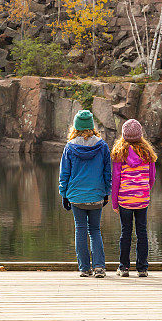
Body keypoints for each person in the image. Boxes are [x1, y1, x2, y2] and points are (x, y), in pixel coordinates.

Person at [59, 110, 112, 277]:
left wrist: (64, 194)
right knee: (95, 230)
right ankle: (99, 267)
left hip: (76, 196)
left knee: (80, 229)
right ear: (91, 126)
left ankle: (84, 268)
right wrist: (106, 192)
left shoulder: (70, 147)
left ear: (76, 127)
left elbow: (64, 174)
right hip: (96, 195)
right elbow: (107, 172)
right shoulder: (102, 146)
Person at [111, 119, 157, 277]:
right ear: (140, 135)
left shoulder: (120, 153)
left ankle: (123, 268)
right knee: (142, 232)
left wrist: (114, 202)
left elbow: (116, 179)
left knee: (126, 232)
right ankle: (142, 268)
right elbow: (152, 177)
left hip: (125, 199)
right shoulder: (147, 153)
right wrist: (145, 191)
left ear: (124, 135)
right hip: (142, 199)